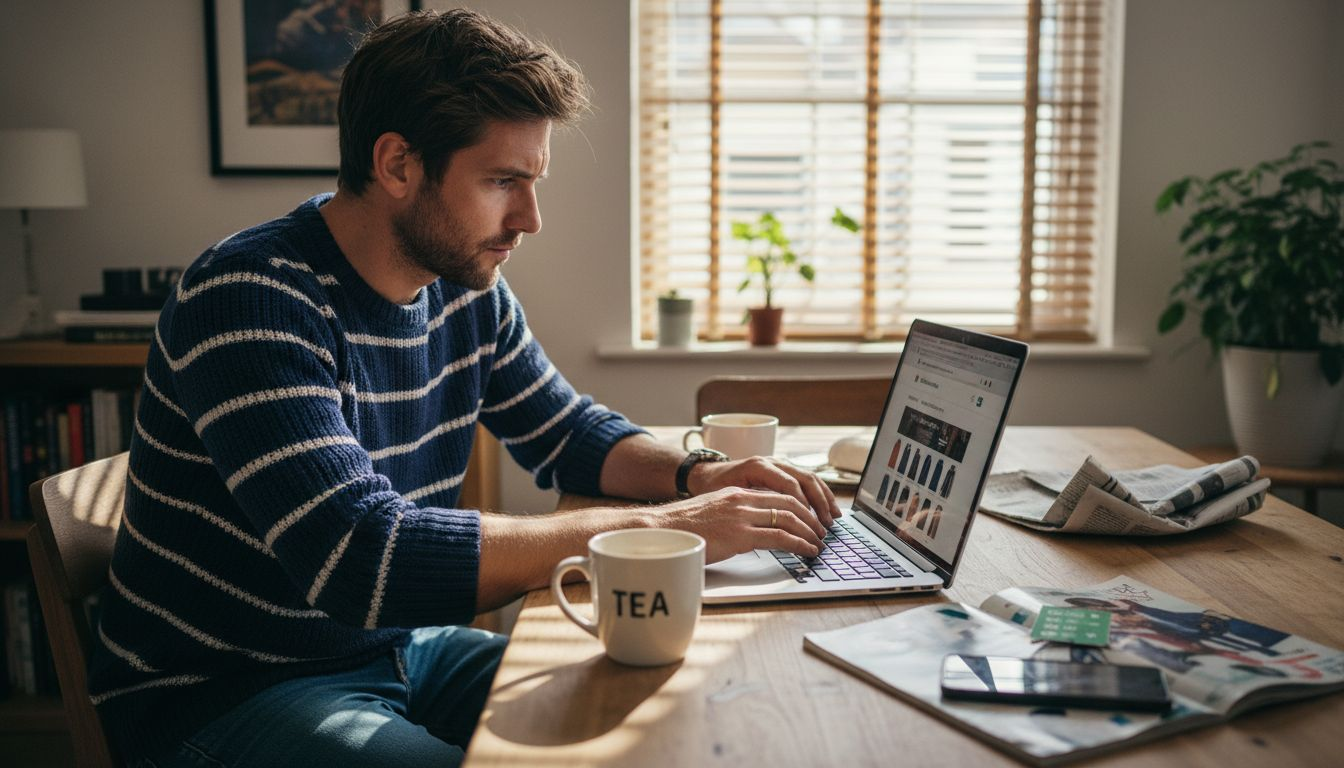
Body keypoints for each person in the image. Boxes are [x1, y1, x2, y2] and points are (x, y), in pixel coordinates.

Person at [88, 10, 839, 768]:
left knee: (680, 713)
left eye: (532, 181)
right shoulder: (249, 297)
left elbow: (567, 432)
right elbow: (360, 557)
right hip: (226, 693)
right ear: (398, 165)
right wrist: (672, 527)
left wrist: (699, 474)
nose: (530, 218)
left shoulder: (463, 291)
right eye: (502, 181)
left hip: (399, 653)